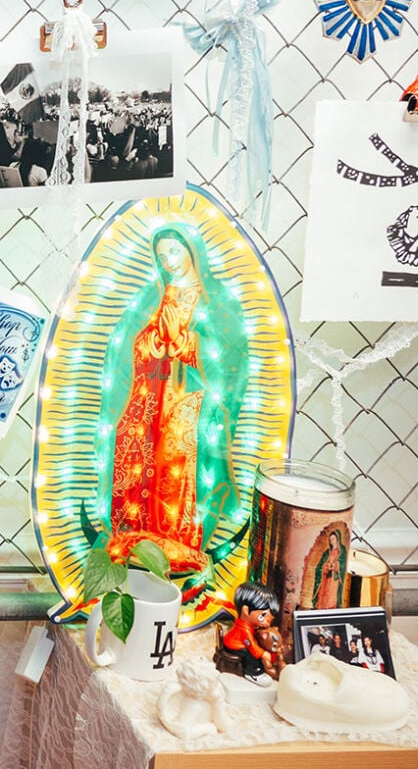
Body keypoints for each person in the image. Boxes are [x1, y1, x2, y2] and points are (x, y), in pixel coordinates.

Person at [106, 227, 247, 571]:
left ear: (193, 251)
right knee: (131, 443)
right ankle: (136, 534)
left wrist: (186, 343)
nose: (168, 261)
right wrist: (154, 344)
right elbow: (131, 343)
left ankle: (176, 542)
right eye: (162, 254)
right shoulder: (151, 297)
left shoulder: (217, 299)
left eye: (175, 251)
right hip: (150, 393)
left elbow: (229, 356)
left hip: (191, 397)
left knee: (174, 457)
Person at [215, 582, 280, 684]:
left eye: (270, 619)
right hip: (234, 645)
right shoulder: (244, 630)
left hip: (234, 641)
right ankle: (253, 673)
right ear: (246, 610)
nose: (267, 622)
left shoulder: (249, 626)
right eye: (262, 616)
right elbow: (251, 646)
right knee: (251, 655)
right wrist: (263, 653)